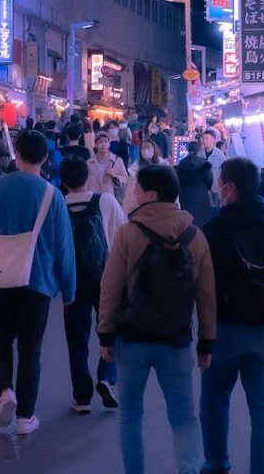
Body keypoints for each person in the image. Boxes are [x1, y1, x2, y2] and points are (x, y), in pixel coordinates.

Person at [98, 165, 216, 474]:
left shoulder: (128, 233)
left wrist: (105, 335)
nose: (134, 193)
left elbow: (110, 289)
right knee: (183, 417)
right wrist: (207, 341)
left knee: (130, 415)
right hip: (176, 341)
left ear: (151, 195)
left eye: (138, 188)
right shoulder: (195, 235)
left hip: (132, 338)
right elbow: (206, 295)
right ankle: (188, 470)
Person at [0, 129, 75, 436]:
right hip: (38, 282)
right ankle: (26, 417)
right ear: (44, 157)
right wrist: (69, 289)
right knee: (31, 349)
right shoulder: (52, 195)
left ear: (17, 154)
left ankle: (4, 391)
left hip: (0, 279)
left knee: (0, 337)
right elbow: (64, 247)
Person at [201, 158, 264, 474]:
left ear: (229, 188)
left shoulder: (214, 229)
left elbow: (202, 286)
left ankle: (216, 465)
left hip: (225, 329)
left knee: (215, 400)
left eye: (219, 181)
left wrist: (204, 334)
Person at [60, 155, 127, 412]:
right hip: (105, 278)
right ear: (87, 177)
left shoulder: (58, 204)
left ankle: (81, 397)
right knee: (111, 331)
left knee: (76, 338)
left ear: (63, 181)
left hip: (72, 281)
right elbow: (123, 235)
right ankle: (107, 377)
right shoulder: (106, 201)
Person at [177, 138, 215, 227]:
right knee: (201, 223)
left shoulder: (181, 164)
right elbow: (210, 181)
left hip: (184, 195)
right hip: (201, 194)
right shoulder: (204, 164)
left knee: (187, 223)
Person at [123, 139, 166, 214]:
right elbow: (129, 193)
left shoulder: (163, 165)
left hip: (160, 204)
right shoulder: (135, 168)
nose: (145, 150)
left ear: (154, 148)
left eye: (148, 147)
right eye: (143, 148)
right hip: (140, 205)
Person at [87, 131, 129, 197]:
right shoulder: (89, 163)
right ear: (96, 145)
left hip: (111, 199)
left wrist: (115, 176)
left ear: (109, 143)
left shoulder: (118, 161)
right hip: (94, 199)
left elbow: (126, 179)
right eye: (100, 142)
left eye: (106, 141)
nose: (103, 144)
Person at [200, 130, 226, 200]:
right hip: (201, 189)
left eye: (207, 138)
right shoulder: (199, 153)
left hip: (214, 191)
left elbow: (223, 174)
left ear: (214, 140)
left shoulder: (220, 156)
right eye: (203, 138)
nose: (204, 140)